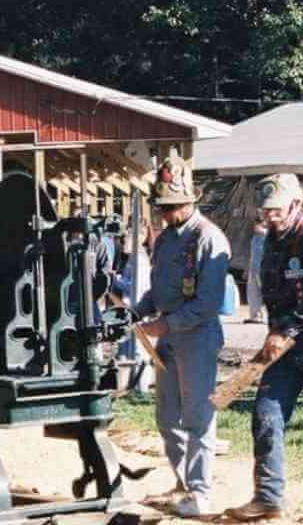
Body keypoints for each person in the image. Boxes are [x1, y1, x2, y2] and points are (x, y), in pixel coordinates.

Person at [225, 173, 303, 524]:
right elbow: (272, 294)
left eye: (276, 210)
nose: (269, 216)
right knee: (266, 414)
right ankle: (268, 498)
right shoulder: (270, 241)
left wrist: (288, 331)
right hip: (285, 341)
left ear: (297, 203)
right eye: (265, 210)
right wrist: (275, 334)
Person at [133, 151, 229, 518]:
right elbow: (157, 290)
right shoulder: (165, 238)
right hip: (168, 335)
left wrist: (163, 325)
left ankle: (201, 491)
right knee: (167, 415)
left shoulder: (209, 239)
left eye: (171, 207)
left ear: (190, 201)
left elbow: (208, 303)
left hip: (198, 335)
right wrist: (137, 309)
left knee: (198, 416)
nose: (165, 214)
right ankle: (182, 482)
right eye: (161, 207)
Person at [111, 219, 153, 395]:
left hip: (136, 309)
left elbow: (136, 287)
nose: (124, 239)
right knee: (126, 347)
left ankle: (141, 388)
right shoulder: (132, 258)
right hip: (129, 308)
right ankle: (127, 385)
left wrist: (115, 279)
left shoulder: (140, 259)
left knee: (138, 350)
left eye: (129, 235)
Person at [246, 219, 268, 324]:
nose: (255, 226)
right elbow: (252, 254)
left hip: (264, 268)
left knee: (266, 292)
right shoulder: (255, 238)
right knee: (252, 292)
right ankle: (255, 316)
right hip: (253, 267)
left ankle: (271, 316)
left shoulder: (268, 236)